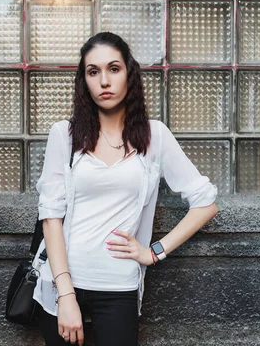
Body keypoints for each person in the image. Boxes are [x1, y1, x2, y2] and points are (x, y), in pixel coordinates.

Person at [32, 32, 218, 346]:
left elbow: (206, 202)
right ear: (85, 82)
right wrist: (65, 295)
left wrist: (154, 252)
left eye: (113, 69)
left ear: (129, 74)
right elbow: (50, 216)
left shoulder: (154, 136)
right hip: (63, 284)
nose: (104, 80)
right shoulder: (64, 134)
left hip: (118, 286)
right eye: (93, 72)